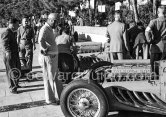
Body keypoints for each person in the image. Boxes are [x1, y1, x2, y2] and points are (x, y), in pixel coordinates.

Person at [38, 13, 63, 104]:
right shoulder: (44, 29)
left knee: (56, 78)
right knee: (49, 78)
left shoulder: (49, 29)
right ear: (52, 20)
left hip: (53, 58)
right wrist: (46, 51)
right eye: (56, 22)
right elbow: (40, 40)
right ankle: (50, 99)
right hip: (49, 58)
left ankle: (62, 97)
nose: (57, 24)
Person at [1, 18, 21, 94]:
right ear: (12, 24)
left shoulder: (11, 32)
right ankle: (12, 88)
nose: (18, 26)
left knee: (16, 69)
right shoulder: (6, 32)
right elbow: (4, 44)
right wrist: (7, 52)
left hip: (14, 54)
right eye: (17, 24)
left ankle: (15, 84)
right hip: (9, 55)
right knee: (11, 71)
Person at [145, 6, 166, 73]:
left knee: (154, 67)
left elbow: (147, 31)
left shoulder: (153, 22)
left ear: (157, 13)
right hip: (165, 47)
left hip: (155, 47)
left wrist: (149, 40)